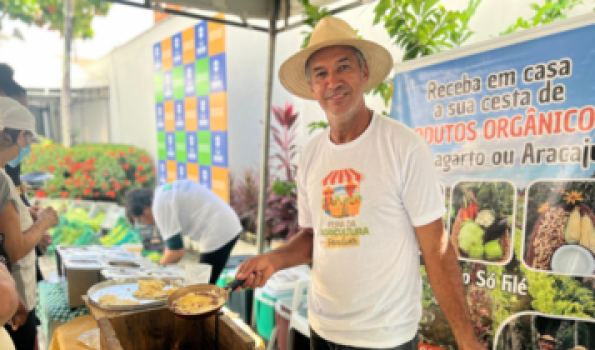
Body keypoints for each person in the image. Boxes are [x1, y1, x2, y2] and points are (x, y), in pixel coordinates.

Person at [235, 17, 483, 350]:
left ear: (364, 73)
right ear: (312, 87)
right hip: (322, 328)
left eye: (343, 67)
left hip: (385, 337)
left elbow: (437, 250)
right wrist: (273, 260)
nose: (333, 82)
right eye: (321, 74)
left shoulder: (403, 147)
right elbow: (313, 235)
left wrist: (467, 341)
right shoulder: (310, 156)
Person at [0, 97, 60, 350]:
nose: (28, 147)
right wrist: (44, 222)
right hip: (10, 300)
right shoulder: (1, 180)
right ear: (20, 136)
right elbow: (13, 249)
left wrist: (27, 216)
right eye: (28, 140)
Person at [125, 180, 242, 284]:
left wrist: (154, 273)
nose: (145, 223)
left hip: (218, 231)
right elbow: (170, 246)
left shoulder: (160, 205)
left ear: (145, 208)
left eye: (140, 220)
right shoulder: (162, 194)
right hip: (224, 224)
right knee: (197, 284)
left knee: (198, 288)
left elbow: (176, 252)